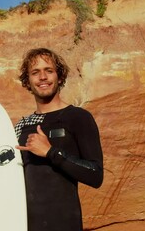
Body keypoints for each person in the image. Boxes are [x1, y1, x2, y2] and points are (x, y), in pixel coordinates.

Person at [14, 48, 104, 231]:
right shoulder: (21, 126)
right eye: (35, 72)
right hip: (23, 226)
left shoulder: (78, 117)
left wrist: (51, 152)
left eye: (49, 70)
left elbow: (96, 174)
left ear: (60, 77)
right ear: (27, 81)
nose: (43, 77)